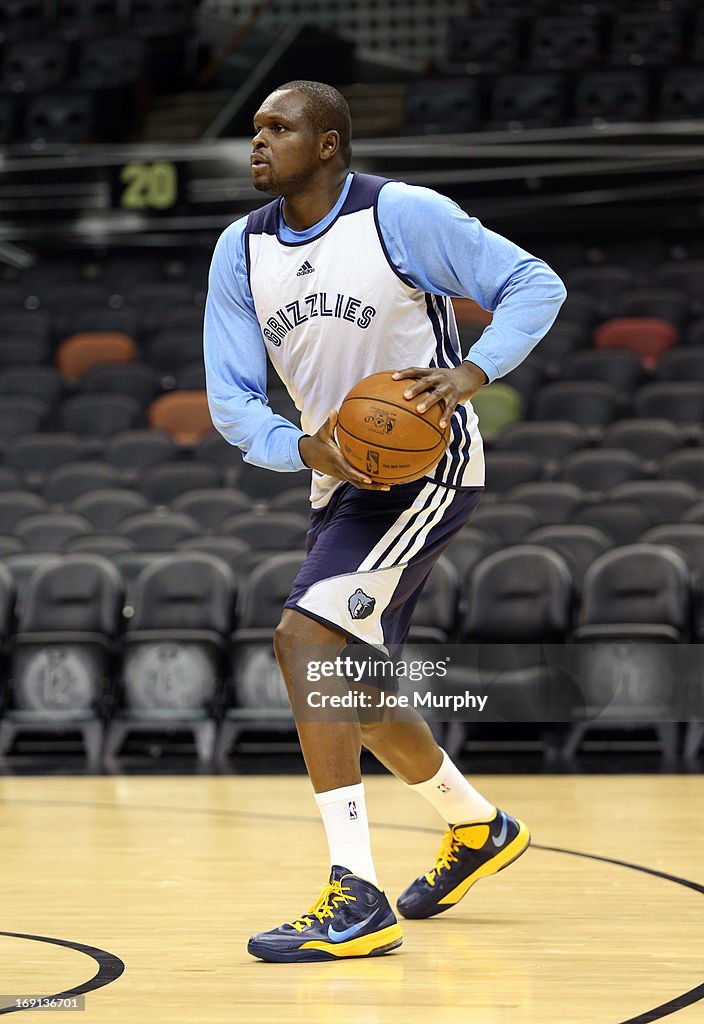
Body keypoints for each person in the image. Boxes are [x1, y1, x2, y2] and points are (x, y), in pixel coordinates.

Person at [204, 79, 566, 964]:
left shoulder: (399, 215)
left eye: (277, 129)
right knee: (353, 693)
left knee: (304, 643)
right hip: (341, 479)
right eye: (253, 130)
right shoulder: (239, 250)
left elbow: (532, 282)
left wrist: (475, 372)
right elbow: (232, 398)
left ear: (327, 144)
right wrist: (302, 449)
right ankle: (476, 827)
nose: (258, 143)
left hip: (427, 468)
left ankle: (354, 892)